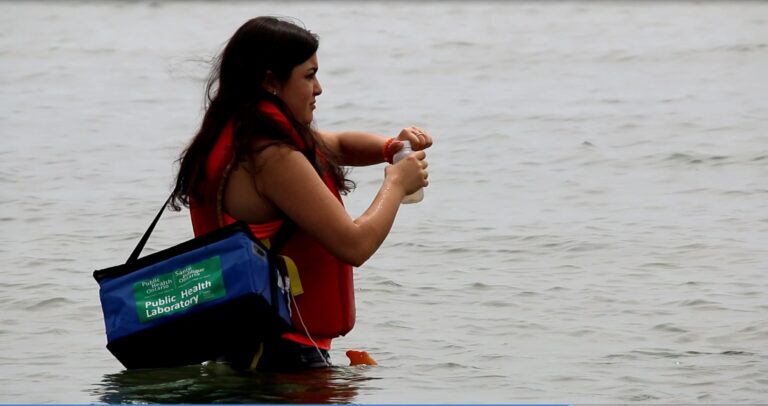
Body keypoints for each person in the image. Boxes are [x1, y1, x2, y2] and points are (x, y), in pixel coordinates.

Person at [169, 16, 432, 371]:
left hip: (248, 350)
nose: (319, 88)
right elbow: (354, 245)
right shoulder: (274, 159)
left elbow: (337, 144)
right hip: (282, 358)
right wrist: (396, 184)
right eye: (309, 76)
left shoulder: (238, 138)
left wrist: (391, 147)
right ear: (270, 82)